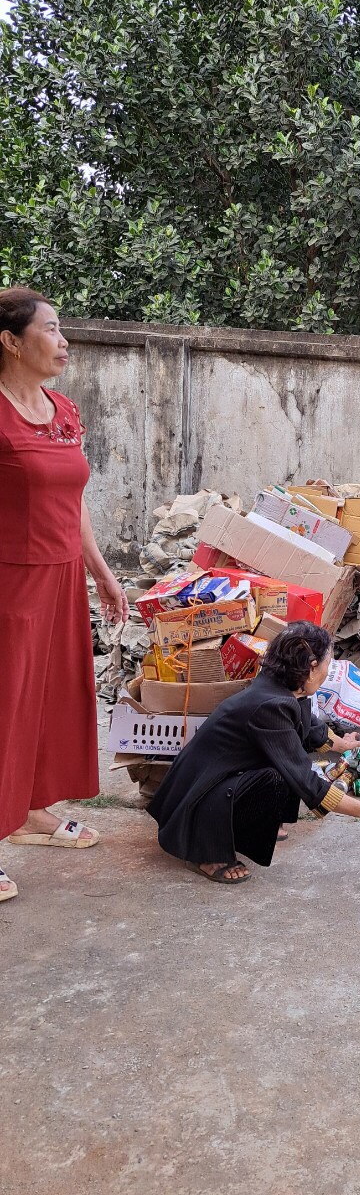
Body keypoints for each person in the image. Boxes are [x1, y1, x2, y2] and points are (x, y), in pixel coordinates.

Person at [0, 287, 129, 905]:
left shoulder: (63, 411)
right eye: (50, 330)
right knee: (6, 706)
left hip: (60, 579)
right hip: (9, 581)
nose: (64, 340)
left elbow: (72, 503)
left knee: (48, 702)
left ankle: (27, 812)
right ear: (11, 342)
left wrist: (100, 572)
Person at [148, 622, 360, 883]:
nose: (328, 673)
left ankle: (256, 826)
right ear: (311, 668)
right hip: (197, 798)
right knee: (283, 773)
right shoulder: (270, 705)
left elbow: (304, 725)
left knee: (284, 765)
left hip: (207, 779)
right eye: (327, 666)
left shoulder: (277, 686)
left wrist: (339, 743)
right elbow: (308, 782)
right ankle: (206, 850)